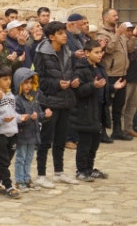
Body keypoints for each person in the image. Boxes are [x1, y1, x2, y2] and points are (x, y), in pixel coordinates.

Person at [32, 21, 79, 189]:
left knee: (60, 138)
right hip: (48, 101)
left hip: (65, 100)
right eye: (60, 33)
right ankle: (41, 175)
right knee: (46, 140)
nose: (64, 35)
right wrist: (57, 84)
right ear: (51, 37)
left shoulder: (67, 51)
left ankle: (59, 172)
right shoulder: (41, 52)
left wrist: (74, 81)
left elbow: (72, 71)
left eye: (64, 32)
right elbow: (38, 79)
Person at [72, 41, 125, 182]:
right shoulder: (80, 70)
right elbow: (79, 92)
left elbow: (103, 88)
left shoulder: (101, 68)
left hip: (99, 110)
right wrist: (93, 85)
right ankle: (81, 170)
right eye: (96, 52)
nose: (100, 55)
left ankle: (89, 168)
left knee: (94, 143)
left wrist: (113, 87)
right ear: (87, 53)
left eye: (101, 52)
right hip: (86, 111)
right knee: (85, 144)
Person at [96, 8, 135, 141]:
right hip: (110, 73)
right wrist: (117, 34)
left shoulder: (119, 32)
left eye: (117, 15)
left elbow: (129, 49)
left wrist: (132, 37)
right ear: (105, 18)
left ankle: (117, 131)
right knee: (105, 104)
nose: (117, 17)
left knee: (119, 104)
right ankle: (102, 131)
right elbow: (108, 49)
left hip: (122, 73)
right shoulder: (102, 34)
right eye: (114, 15)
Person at [12, 68, 48, 192]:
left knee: (29, 158)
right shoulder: (17, 99)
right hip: (22, 134)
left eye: (30, 83)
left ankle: (27, 178)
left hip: (33, 133)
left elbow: (39, 114)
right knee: (20, 157)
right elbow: (16, 117)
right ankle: (19, 180)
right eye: (25, 83)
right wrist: (27, 118)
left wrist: (44, 115)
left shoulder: (34, 98)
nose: (28, 86)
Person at [0, 64, 21, 198]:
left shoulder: (11, 95)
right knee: (3, 161)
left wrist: (20, 118)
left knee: (6, 161)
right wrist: (2, 119)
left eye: (10, 79)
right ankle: (8, 185)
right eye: (5, 79)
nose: (8, 81)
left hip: (12, 131)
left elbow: (13, 112)